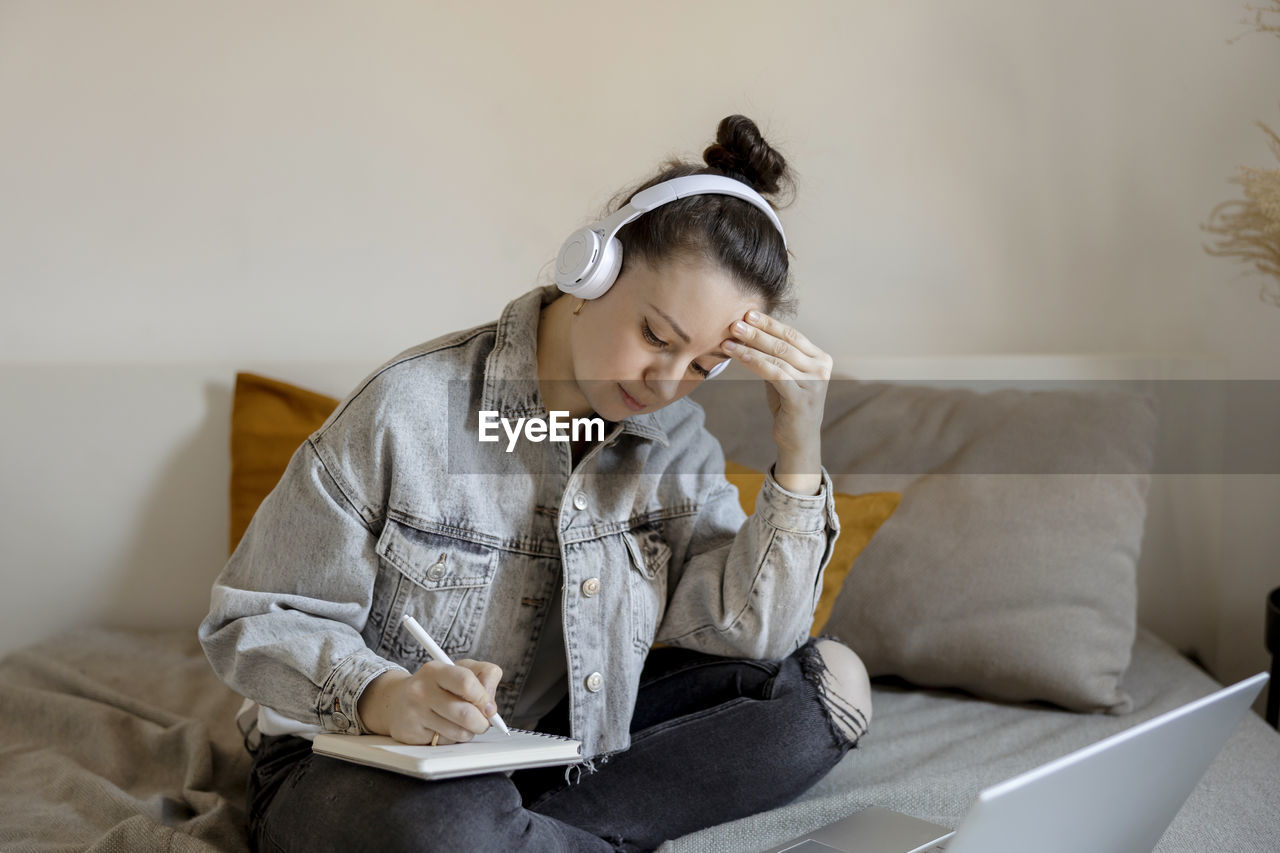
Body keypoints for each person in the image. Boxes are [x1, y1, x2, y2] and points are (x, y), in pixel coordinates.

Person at [199, 114, 874, 853]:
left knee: (832, 688)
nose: (666, 383)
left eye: (704, 367)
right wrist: (386, 696)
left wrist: (799, 447)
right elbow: (254, 620)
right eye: (656, 336)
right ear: (591, 269)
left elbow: (752, 634)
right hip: (359, 759)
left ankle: (523, 837)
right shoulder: (409, 409)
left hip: (566, 753)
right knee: (444, 821)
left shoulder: (674, 441)